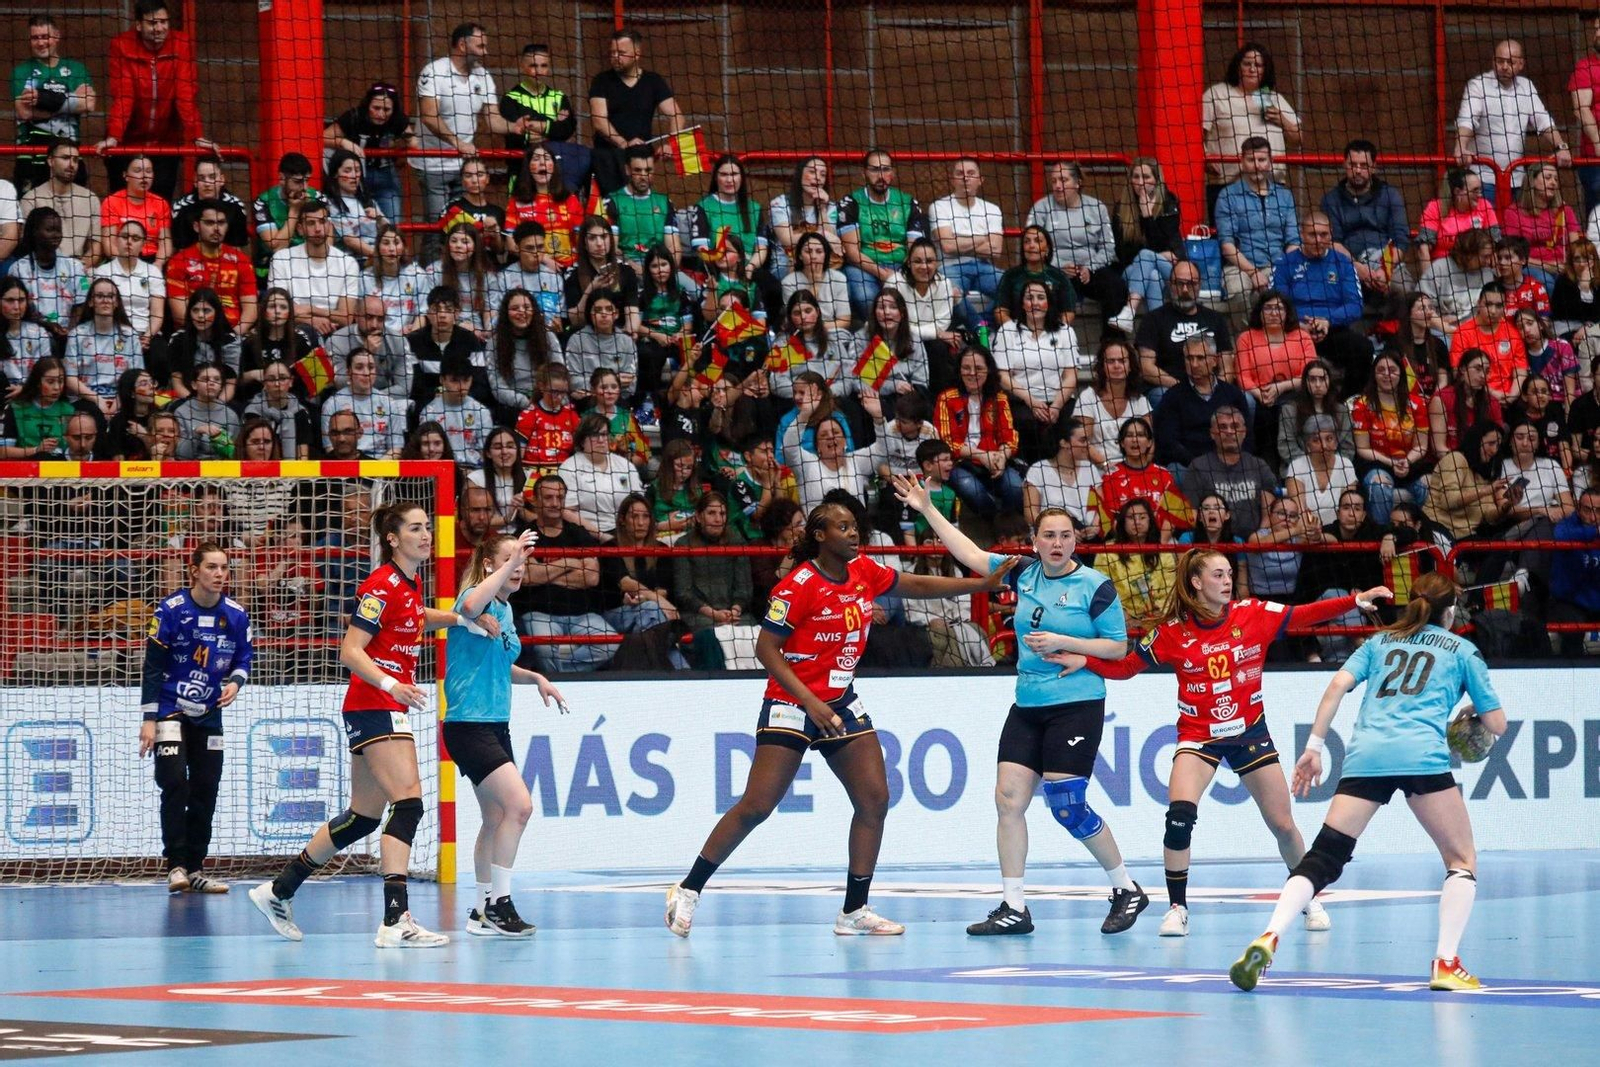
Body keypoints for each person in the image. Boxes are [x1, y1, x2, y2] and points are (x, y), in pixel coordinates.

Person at [663, 498, 1015, 938]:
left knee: (874, 800)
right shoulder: (797, 586)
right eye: (844, 528)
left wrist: (978, 587)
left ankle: (854, 910)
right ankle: (688, 889)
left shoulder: (863, 570)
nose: (854, 534)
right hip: (793, 703)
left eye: (855, 527)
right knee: (756, 806)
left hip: (841, 701)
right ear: (820, 536)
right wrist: (810, 702)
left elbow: (914, 585)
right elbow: (765, 651)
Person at [1057, 549, 1388, 935]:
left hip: (1249, 733)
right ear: (1197, 583)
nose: (1227, 580)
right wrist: (1086, 660)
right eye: (1218, 575)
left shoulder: (1253, 614)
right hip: (1199, 736)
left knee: (1282, 825)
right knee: (1179, 817)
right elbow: (1128, 667)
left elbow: (1302, 615)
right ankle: (1177, 909)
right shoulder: (1173, 632)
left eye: (1229, 573)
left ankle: (1308, 898)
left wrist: (1355, 601)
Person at [1229, 573, 1505, 992]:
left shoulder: (1380, 642)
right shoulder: (1463, 650)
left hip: (1367, 756)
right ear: (1450, 611)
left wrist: (1314, 747)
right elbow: (1497, 724)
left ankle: (1269, 935)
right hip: (1420, 757)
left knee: (1324, 856)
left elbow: (1337, 685)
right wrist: (1468, 717)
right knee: (1461, 859)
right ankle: (1446, 963)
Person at [895, 477, 1147, 935]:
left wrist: (1065, 643)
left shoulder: (1096, 585)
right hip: (1028, 703)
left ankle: (1126, 888)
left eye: (1065, 536)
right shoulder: (1022, 572)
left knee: (1067, 804)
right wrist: (928, 509)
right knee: (1007, 801)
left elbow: (1118, 647)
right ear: (1034, 541)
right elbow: (970, 555)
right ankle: (1014, 907)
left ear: (1076, 540)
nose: (1057, 543)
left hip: (1077, 702)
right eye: (1048, 536)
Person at [251, 504, 471, 947]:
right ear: (393, 538)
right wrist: (394, 683)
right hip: (377, 701)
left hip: (379, 704)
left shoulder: (407, 586)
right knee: (408, 803)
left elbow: (416, 617)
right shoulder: (381, 584)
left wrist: (463, 619)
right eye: (415, 528)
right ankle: (395, 920)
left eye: (428, 527)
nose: (426, 534)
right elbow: (351, 650)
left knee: (363, 817)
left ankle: (279, 890)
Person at [445, 529, 567, 937]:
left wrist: (535, 678)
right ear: (489, 566)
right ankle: (501, 903)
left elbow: (500, 666)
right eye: (512, 559)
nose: (519, 567)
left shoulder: (505, 611)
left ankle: (480, 911)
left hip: (495, 725)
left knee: (496, 816)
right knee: (520, 806)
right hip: (468, 726)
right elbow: (471, 601)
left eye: (522, 561)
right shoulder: (471, 604)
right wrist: (509, 562)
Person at [139, 542, 253, 895]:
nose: (219, 574)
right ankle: (175, 866)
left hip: (208, 713)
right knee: (174, 782)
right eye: (212, 567)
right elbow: (153, 667)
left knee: (207, 787)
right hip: (171, 708)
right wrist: (149, 719)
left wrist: (235, 683)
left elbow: (244, 659)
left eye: (224, 568)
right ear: (195, 570)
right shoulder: (171, 610)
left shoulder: (236, 615)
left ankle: (196, 867)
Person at [411, 22, 520, 233]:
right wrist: (457, 143)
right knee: (437, 229)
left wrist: (514, 127)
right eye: (480, 46)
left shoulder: (483, 76)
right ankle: (433, 266)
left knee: (467, 230)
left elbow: (493, 119)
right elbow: (428, 116)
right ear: (462, 45)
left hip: (463, 167)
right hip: (432, 164)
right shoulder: (434, 72)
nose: (485, 52)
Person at [97, 1, 210, 200]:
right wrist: (114, 136)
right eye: (152, 23)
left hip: (165, 143)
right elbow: (124, 95)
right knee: (121, 198)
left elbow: (185, 93)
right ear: (139, 25)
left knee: (161, 200)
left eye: (164, 22)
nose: (159, 28)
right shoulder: (122, 45)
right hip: (128, 141)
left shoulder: (180, 44)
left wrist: (196, 134)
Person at [1454, 39, 1569, 208]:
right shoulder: (1477, 85)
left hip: (1517, 180)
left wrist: (1561, 147)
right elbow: (1467, 119)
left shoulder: (1526, 86)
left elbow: (1542, 119)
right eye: (1500, 61)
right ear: (1493, 60)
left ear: (1521, 64)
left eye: (1511, 62)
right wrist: (1460, 146)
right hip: (1483, 178)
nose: (1505, 66)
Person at [1272, 211, 1369, 396]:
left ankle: (1345, 402)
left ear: (1331, 233)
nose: (1318, 240)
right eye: (1312, 234)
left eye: (1323, 235)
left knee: (1363, 348)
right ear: (1301, 234)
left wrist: (1328, 320)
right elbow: (1276, 305)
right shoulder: (1284, 264)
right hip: (1294, 331)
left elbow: (1355, 305)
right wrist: (1298, 324)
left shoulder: (1343, 263)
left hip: (1333, 329)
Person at [1026, 161, 1131, 329]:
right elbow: (1031, 246)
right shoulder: (1041, 208)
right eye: (1054, 181)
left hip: (1089, 271)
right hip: (1053, 271)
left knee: (1115, 286)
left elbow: (1109, 247)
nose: (1058, 186)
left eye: (1063, 180)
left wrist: (1089, 267)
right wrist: (1058, 266)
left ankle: (1111, 344)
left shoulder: (1096, 207)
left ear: (1077, 183)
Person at [1202, 42, 1302, 218]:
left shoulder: (1271, 97)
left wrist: (1282, 119)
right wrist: (1205, 158)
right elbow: (1196, 134)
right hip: (1228, 185)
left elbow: (1298, 137)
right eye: (1247, 63)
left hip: (1272, 186)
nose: (1252, 69)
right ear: (1237, 66)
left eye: (1258, 65)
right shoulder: (1217, 94)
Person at [588, 28, 684, 194]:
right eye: (612, 53)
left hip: (639, 160)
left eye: (621, 53)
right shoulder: (601, 81)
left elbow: (677, 116)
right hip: (608, 158)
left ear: (637, 54)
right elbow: (599, 121)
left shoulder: (653, 81)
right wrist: (624, 144)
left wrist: (671, 144)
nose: (615, 57)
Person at [992, 278, 1080, 460]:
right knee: (1028, 423)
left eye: (1041, 297)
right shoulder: (1007, 331)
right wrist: (1031, 401)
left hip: (1059, 400)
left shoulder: (1065, 332)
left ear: (1048, 303)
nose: (1035, 303)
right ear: (1022, 303)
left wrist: (1055, 406)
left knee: (1071, 426)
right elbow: (1002, 376)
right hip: (1022, 401)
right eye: (1029, 298)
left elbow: (1071, 377)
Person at [933, 346, 1023, 517]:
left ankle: (1008, 527)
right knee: (970, 489)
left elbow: (1009, 437)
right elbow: (946, 443)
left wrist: (1002, 457)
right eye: (966, 368)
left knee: (1015, 487)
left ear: (989, 370)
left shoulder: (999, 398)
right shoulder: (946, 398)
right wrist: (981, 455)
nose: (972, 373)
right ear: (959, 370)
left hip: (996, 460)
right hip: (960, 463)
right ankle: (996, 523)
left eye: (979, 368)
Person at [1216, 138, 1299, 323]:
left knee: (1290, 290)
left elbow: (1293, 241)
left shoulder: (1285, 196)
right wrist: (1253, 272)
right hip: (1240, 266)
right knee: (1238, 292)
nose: (1256, 166)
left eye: (1262, 160)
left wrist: (1284, 268)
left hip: (1277, 264)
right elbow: (1227, 245)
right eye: (1251, 160)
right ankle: (1248, 343)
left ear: (1270, 162)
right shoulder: (1227, 195)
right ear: (1241, 161)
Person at [839, 150, 927, 320]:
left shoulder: (908, 202)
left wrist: (901, 273)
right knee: (866, 297)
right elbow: (852, 252)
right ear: (864, 173)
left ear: (892, 173)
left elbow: (914, 249)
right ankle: (878, 340)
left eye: (886, 169)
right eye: (874, 169)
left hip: (901, 264)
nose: (881, 175)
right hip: (864, 266)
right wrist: (882, 273)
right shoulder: (851, 203)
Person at [9, 17, 94, 194]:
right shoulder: (21, 71)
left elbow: (89, 104)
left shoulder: (77, 70)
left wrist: (42, 100)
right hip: (31, 155)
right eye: (35, 38)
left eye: (45, 36)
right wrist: (70, 101)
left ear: (56, 36)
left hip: (68, 154)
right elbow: (24, 112)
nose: (40, 43)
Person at [1135, 260, 1234, 405]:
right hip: (1169, 390)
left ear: (1200, 285)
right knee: (1160, 395)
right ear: (1170, 285)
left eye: (1191, 284)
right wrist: (1184, 389)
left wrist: (1213, 391)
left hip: (1210, 390)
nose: (1185, 290)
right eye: (1180, 283)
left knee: (1246, 400)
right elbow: (1146, 367)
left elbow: (1227, 368)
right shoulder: (1153, 319)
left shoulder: (1215, 319)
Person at [1320, 140, 1410, 299]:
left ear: (1374, 167)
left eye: (1364, 165)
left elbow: (1400, 239)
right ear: (1344, 165)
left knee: (1404, 290)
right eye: (1353, 164)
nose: (1358, 170)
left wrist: (1385, 270)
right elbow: (1333, 242)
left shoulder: (1390, 195)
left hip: (1385, 262)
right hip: (1344, 265)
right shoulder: (1331, 200)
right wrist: (1356, 268)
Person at [1354, 349, 1432, 525]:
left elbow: (1421, 446)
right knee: (1379, 487)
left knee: (1428, 485)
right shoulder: (1362, 405)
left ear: (1401, 374)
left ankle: (1424, 534)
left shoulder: (1417, 404)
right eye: (1381, 370)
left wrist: (1407, 461)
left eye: (1392, 370)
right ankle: (1382, 536)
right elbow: (1363, 449)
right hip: (1377, 463)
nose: (1387, 375)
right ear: (1374, 375)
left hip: (1410, 463)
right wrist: (1391, 462)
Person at [928, 157, 1004, 324]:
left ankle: (982, 324)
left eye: (971, 173)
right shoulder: (939, 207)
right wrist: (983, 238)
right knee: (950, 292)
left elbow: (995, 250)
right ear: (953, 180)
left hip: (983, 267)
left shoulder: (992, 210)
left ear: (980, 180)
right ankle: (979, 329)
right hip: (949, 267)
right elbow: (947, 246)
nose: (965, 177)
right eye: (960, 173)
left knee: (1014, 285)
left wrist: (958, 241)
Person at [268, 200, 361, 336]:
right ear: (300, 229)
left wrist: (310, 309)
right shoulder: (281, 259)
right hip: (293, 330)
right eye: (311, 223)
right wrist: (311, 321)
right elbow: (277, 309)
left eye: (322, 221)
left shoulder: (348, 263)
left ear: (329, 225)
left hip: (335, 332)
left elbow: (345, 318)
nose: (318, 228)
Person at [324, 83, 412, 223]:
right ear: (367, 105)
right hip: (355, 176)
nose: (381, 114)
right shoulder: (354, 117)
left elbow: (413, 144)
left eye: (386, 109)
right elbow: (324, 137)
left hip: (386, 176)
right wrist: (343, 142)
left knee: (391, 224)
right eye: (376, 108)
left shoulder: (398, 120)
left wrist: (397, 149)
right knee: (355, 222)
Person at [167, 198, 256, 333]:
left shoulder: (242, 261)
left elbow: (251, 311)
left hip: (233, 332)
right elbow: (179, 314)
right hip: (192, 333)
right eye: (209, 223)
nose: (216, 228)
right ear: (196, 226)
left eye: (221, 223)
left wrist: (234, 335)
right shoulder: (178, 262)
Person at [1114, 156, 1182, 320]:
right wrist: (1156, 255)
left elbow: (1166, 244)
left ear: (1156, 179)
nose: (1140, 182)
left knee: (1146, 257)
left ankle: (1129, 311)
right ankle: (1157, 329)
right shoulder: (1121, 207)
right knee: (1152, 275)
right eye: (1136, 177)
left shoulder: (1169, 202)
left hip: (1169, 272)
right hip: (1133, 270)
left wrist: (1147, 217)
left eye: (1146, 177)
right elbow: (1124, 254)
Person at [1074, 335, 1151, 465]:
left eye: (1122, 361)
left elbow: (1150, 442)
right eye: (1111, 361)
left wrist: (1136, 469)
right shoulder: (1088, 397)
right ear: (1102, 366)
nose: (1116, 365)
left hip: (1133, 468)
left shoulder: (1140, 401)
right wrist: (1107, 467)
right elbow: (1082, 442)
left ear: (1130, 366)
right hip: (1097, 469)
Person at [19, 139, 98, 261]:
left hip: (80, 268)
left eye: (75, 160)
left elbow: (96, 246)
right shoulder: (31, 199)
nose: (72, 164)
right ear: (51, 161)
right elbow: (27, 244)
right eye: (65, 158)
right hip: (43, 266)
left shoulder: (90, 198)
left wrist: (80, 267)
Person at [499, 42, 577, 159]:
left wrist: (532, 126)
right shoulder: (510, 99)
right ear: (523, 66)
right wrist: (551, 127)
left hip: (555, 165)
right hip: (521, 165)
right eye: (533, 66)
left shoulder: (560, 97)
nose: (539, 71)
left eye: (544, 66)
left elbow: (566, 131)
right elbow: (515, 139)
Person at [94, 219, 165, 345]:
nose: (129, 242)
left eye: (136, 238)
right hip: (112, 333)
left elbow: (157, 314)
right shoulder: (103, 272)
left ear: (143, 244)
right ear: (116, 240)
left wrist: (147, 337)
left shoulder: (153, 272)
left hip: (145, 332)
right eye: (125, 236)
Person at [1417, 171, 1500, 264]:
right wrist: (1429, 277)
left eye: (1480, 190)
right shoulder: (1436, 207)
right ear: (1457, 192)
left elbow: (1496, 241)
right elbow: (1423, 249)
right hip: (1444, 266)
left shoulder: (1484, 205)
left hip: (1478, 266)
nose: (1479, 194)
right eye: (1475, 190)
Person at [170, 157, 251, 252]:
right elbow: (182, 251)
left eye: (212, 177)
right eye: (202, 178)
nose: (207, 183)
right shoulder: (181, 208)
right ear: (195, 181)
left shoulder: (235, 206)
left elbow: (236, 249)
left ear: (221, 179)